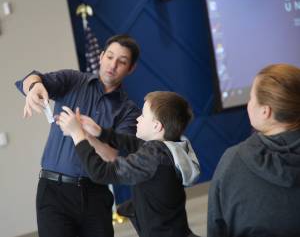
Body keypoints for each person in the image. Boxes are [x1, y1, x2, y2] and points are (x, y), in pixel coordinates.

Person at [15, 35, 141, 237]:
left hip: (95, 195)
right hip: (53, 191)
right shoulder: (73, 80)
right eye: (109, 57)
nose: (113, 65)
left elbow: (110, 157)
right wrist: (33, 87)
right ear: (100, 57)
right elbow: (32, 77)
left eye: (122, 61)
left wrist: (82, 133)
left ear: (131, 68)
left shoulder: (129, 111)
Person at [56, 91, 201, 237]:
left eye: (143, 115)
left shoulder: (154, 156)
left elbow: (101, 172)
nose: (138, 119)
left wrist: (77, 135)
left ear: (157, 126)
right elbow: (134, 143)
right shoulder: (170, 148)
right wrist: (99, 132)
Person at [207, 63, 300, 237]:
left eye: (251, 98)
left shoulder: (232, 161)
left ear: (266, 111)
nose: (249, 104)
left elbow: (216, 229)